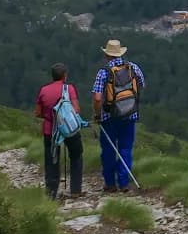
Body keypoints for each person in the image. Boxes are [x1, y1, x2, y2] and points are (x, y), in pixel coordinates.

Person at [92, 39, 146, 194]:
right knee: (125, 149)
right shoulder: (133, 68)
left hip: (109, 116)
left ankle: (110, 184)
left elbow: (97, 97)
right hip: (130, 114)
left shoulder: (104, 72)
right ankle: (124, 183)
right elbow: (141, 85)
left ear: (107, 55)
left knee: (108, 150)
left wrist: (97, 114)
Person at [34, 63, 84, 199]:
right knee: (76, 155)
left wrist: (48, 116)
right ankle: (75, 189)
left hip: (50, 130)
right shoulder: (69, 89)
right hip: (69, 128)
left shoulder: (43, 90)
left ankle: (51, 192)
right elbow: (76, 109)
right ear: (64, 75)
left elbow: (38, 112)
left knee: (51, 160)